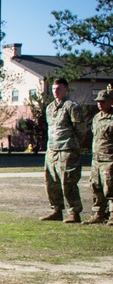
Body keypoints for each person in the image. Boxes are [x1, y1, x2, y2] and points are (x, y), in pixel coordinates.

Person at [40, 77, 87, 223]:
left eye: (59, 89)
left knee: (68, 182)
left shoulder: (72, 107)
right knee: (51, 181)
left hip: (67, 149)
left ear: (66, 89)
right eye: (54, 89)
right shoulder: (49, 108)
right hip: (52, 149)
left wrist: (73, 145)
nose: (56, 91)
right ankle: (56, 210)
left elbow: (80, 130)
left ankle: (74, 212)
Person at [84, 88, 113, 225]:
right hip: (96, 159)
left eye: (103, 101)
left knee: (110, 188)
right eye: (98, 101)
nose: (100, 104)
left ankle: (112, 215)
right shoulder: (96, 118)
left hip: (109, 159)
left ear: (111, 101)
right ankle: (99, 213)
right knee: (96, 187)